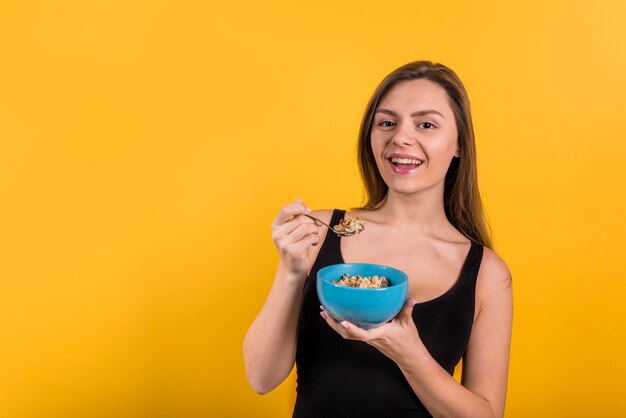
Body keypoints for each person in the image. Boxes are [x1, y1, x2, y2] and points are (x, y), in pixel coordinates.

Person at [243, 61, 513, 418]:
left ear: (459, 143)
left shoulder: (486, 274)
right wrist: (291, 272)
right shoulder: (319, 231)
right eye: (387, 122)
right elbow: (262, 377)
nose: (400, 137)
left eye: (426, 124)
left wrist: (408, 351)